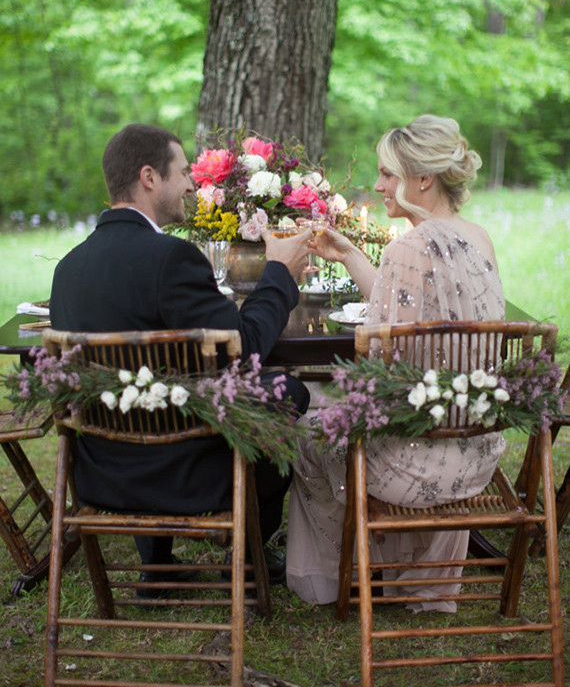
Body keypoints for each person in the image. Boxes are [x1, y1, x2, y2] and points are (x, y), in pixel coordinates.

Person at [49, 123, 311, 591]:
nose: (192, 184)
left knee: (148, 388)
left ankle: (158, 568)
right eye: (184, 172)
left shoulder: (68, 268)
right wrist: (279, 272)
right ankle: (248, 556)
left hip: (100, 474)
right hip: (184, 474)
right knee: (288, 392)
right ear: (149, 177)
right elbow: (243, 348)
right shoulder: (172, 258)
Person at [286, 114, 506, 611]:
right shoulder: (478, 237)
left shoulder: (408, 247)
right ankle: (406, 572)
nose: (379, 185)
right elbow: (408, 316)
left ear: (422, 178)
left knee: (307, 430)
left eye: (388, 173)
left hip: (417, 463)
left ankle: (344, 577)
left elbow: (382, 362)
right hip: (475, 451)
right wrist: (351, 256)